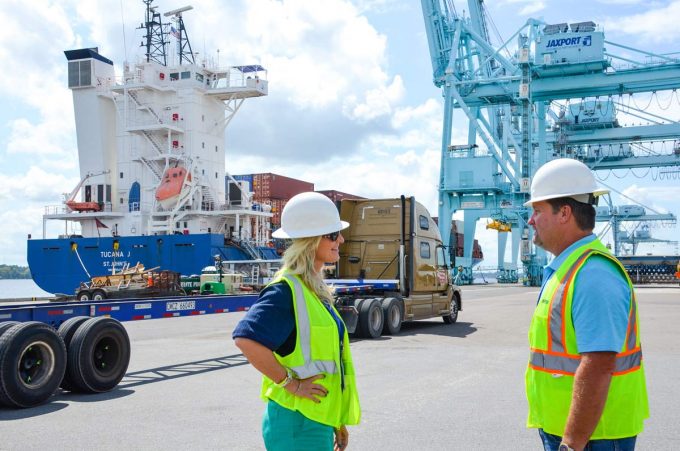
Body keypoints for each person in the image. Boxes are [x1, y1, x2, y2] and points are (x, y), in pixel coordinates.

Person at [523, 159, 649, 451]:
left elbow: (598, 366)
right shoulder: (569, 268)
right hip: (570, 431)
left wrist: (572, 443)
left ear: (564, 213)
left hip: (593, 438)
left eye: (537, 211)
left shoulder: (593, 274)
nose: (530, 220)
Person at [233, 192, 360, 450]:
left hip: (316, 419)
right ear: (311, 241)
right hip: (296, 422)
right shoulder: (285, 290)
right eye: (333, 235)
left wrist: (336, 420)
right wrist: (291, 384)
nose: (341, 240)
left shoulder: (313, 290)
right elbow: (246, 339)